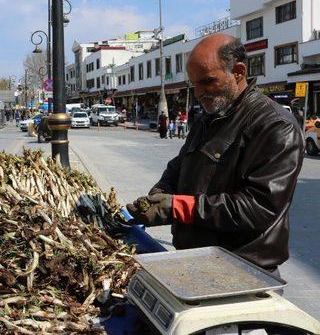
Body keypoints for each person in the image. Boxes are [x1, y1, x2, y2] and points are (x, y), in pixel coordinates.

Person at [126, 34, 304, 273]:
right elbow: (179, 166)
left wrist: (178, 207)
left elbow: (259, 208)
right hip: (196, 259)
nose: (198, 93)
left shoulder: (275, 126)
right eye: (194, 84)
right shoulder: (208, 118)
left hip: (243, 269)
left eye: (208, 82)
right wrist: (161, 192)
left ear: (238, 72)